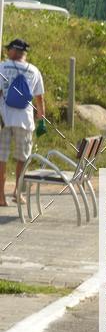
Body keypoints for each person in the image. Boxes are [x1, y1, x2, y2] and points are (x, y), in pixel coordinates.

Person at [0, 38, 45, 207]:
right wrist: (42, 121)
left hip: (4, 119)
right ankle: (18, 193)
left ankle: (0, 197)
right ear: (24, 53)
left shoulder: (2, 67)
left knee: (1, 158)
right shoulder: (34, 70)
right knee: (23, 158)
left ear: (12, 51)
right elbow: (39, 100)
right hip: (25, 121)